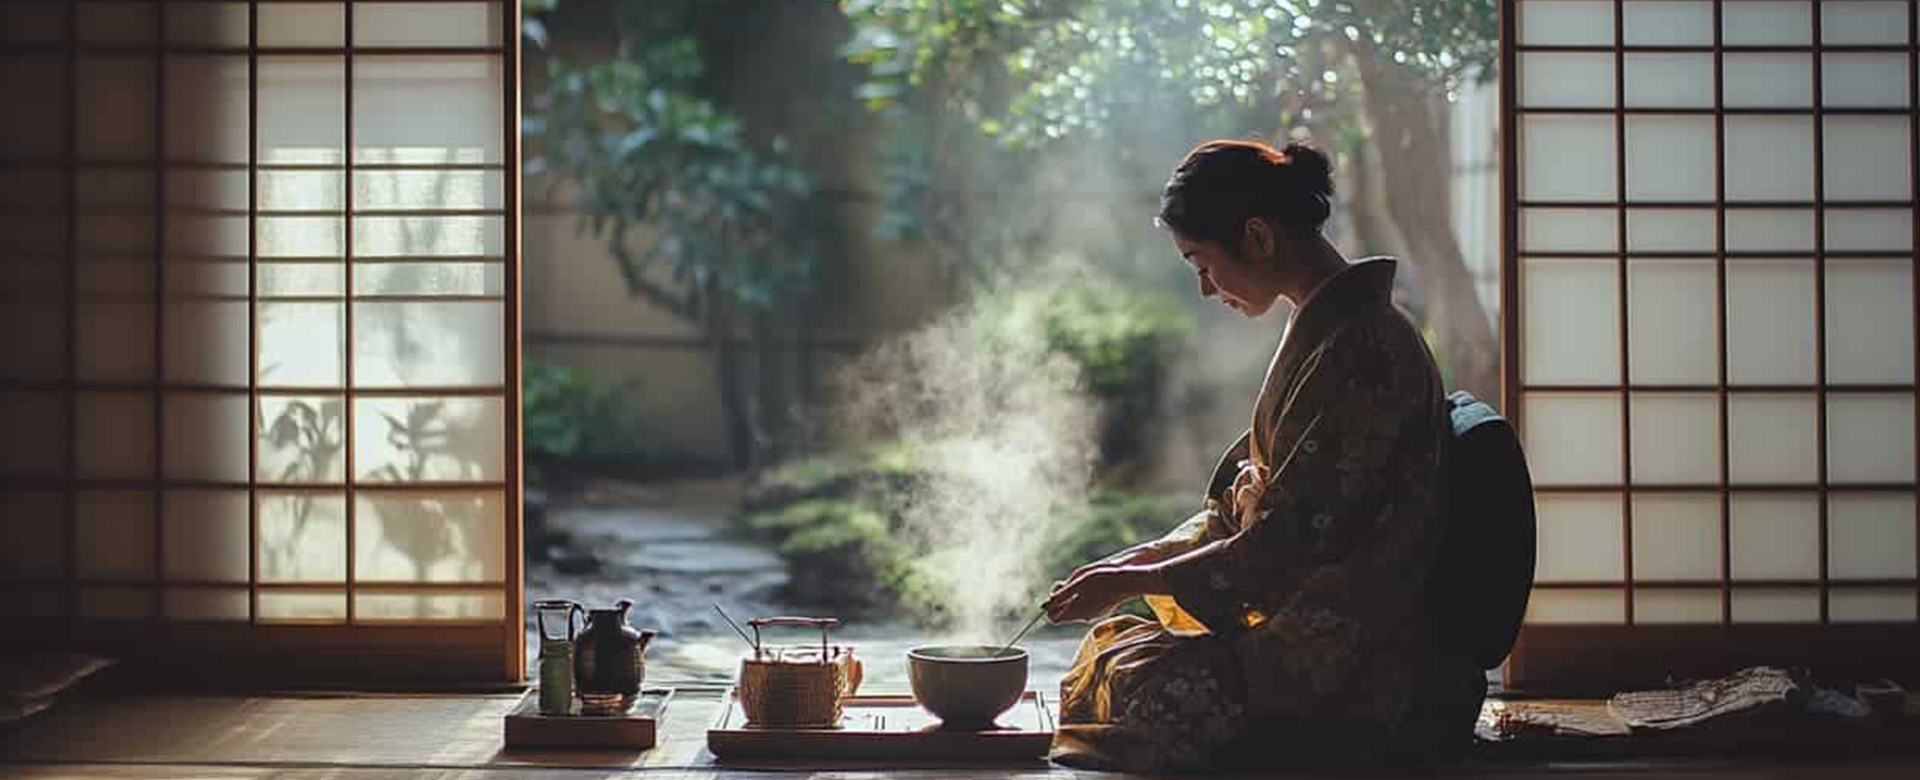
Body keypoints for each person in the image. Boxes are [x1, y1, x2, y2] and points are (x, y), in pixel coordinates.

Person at [1042, 139, 1464, 772]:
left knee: (1141, 685)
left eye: (1202, 264)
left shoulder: (1363, 349)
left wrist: (1134, 580)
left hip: (1348, 652)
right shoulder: (1331, 331)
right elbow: (1256, 510)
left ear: (1259, 237)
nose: (1207, 290)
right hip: (1305, 608)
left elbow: (1283, 543)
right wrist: (1140, 559)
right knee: (1113, 648)